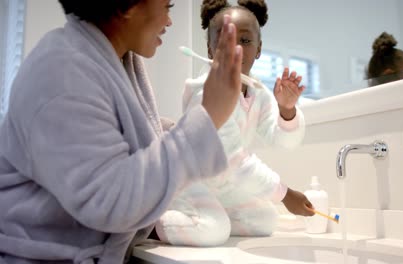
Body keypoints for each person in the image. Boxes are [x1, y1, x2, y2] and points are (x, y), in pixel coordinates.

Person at [0, 0, 244, 263]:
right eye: (167, 6)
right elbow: (109, 201)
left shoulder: (111, 60)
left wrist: (174, 130)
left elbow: (113, 133)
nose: (169, 21)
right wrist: (207, 118)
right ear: (127, 5)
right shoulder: (62, 72)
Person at [155, 0, 315, 247]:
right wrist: (285, 194)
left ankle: (218, 217)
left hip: (223, 186)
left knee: (265, 220)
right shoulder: (204, 92)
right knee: (212, 231)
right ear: (210, 50)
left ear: (259, 49)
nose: (236, 49)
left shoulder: (257, 92)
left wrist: (287, 111)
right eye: (225, 40)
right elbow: (233, 160)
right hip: (189, 183)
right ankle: (154, 224)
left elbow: (281, 139)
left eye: (246, 40)